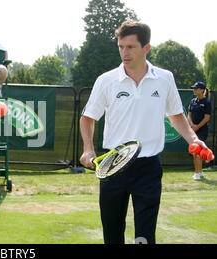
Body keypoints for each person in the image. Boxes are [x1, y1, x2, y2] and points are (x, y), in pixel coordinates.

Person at [79, 21, 210, 244]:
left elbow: (176, 114)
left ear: (146, 48)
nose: (124, 53)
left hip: (148, 168)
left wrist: (194, 139)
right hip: (113, 166)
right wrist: (88, 149)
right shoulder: (106, 80)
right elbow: (88, 117)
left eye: (131, 47)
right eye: (121, 46)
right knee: (112, 235)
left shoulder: (165, 78)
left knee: (145, 236)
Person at [188, 81, 211, 180]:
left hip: (202, 130)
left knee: (196, 151)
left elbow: (207, 118)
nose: (194, 90)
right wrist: (192, 125)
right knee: (195, 151)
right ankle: (199, 172)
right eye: (194, 88)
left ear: (202, 90)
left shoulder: (207, 102)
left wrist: (198, 126)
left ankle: (198, 173)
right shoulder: (193, 101)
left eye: (196, 88)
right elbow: (189, 114)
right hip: (193, 130)